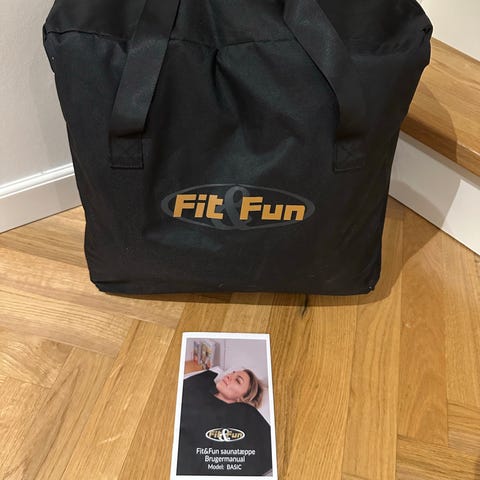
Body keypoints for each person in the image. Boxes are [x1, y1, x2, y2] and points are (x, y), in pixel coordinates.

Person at [176, 368, 272, 476]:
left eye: (238, 380)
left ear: (243, 397)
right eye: (233, 372)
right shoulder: (200, 384)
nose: (230, 376)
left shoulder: (235, 417)